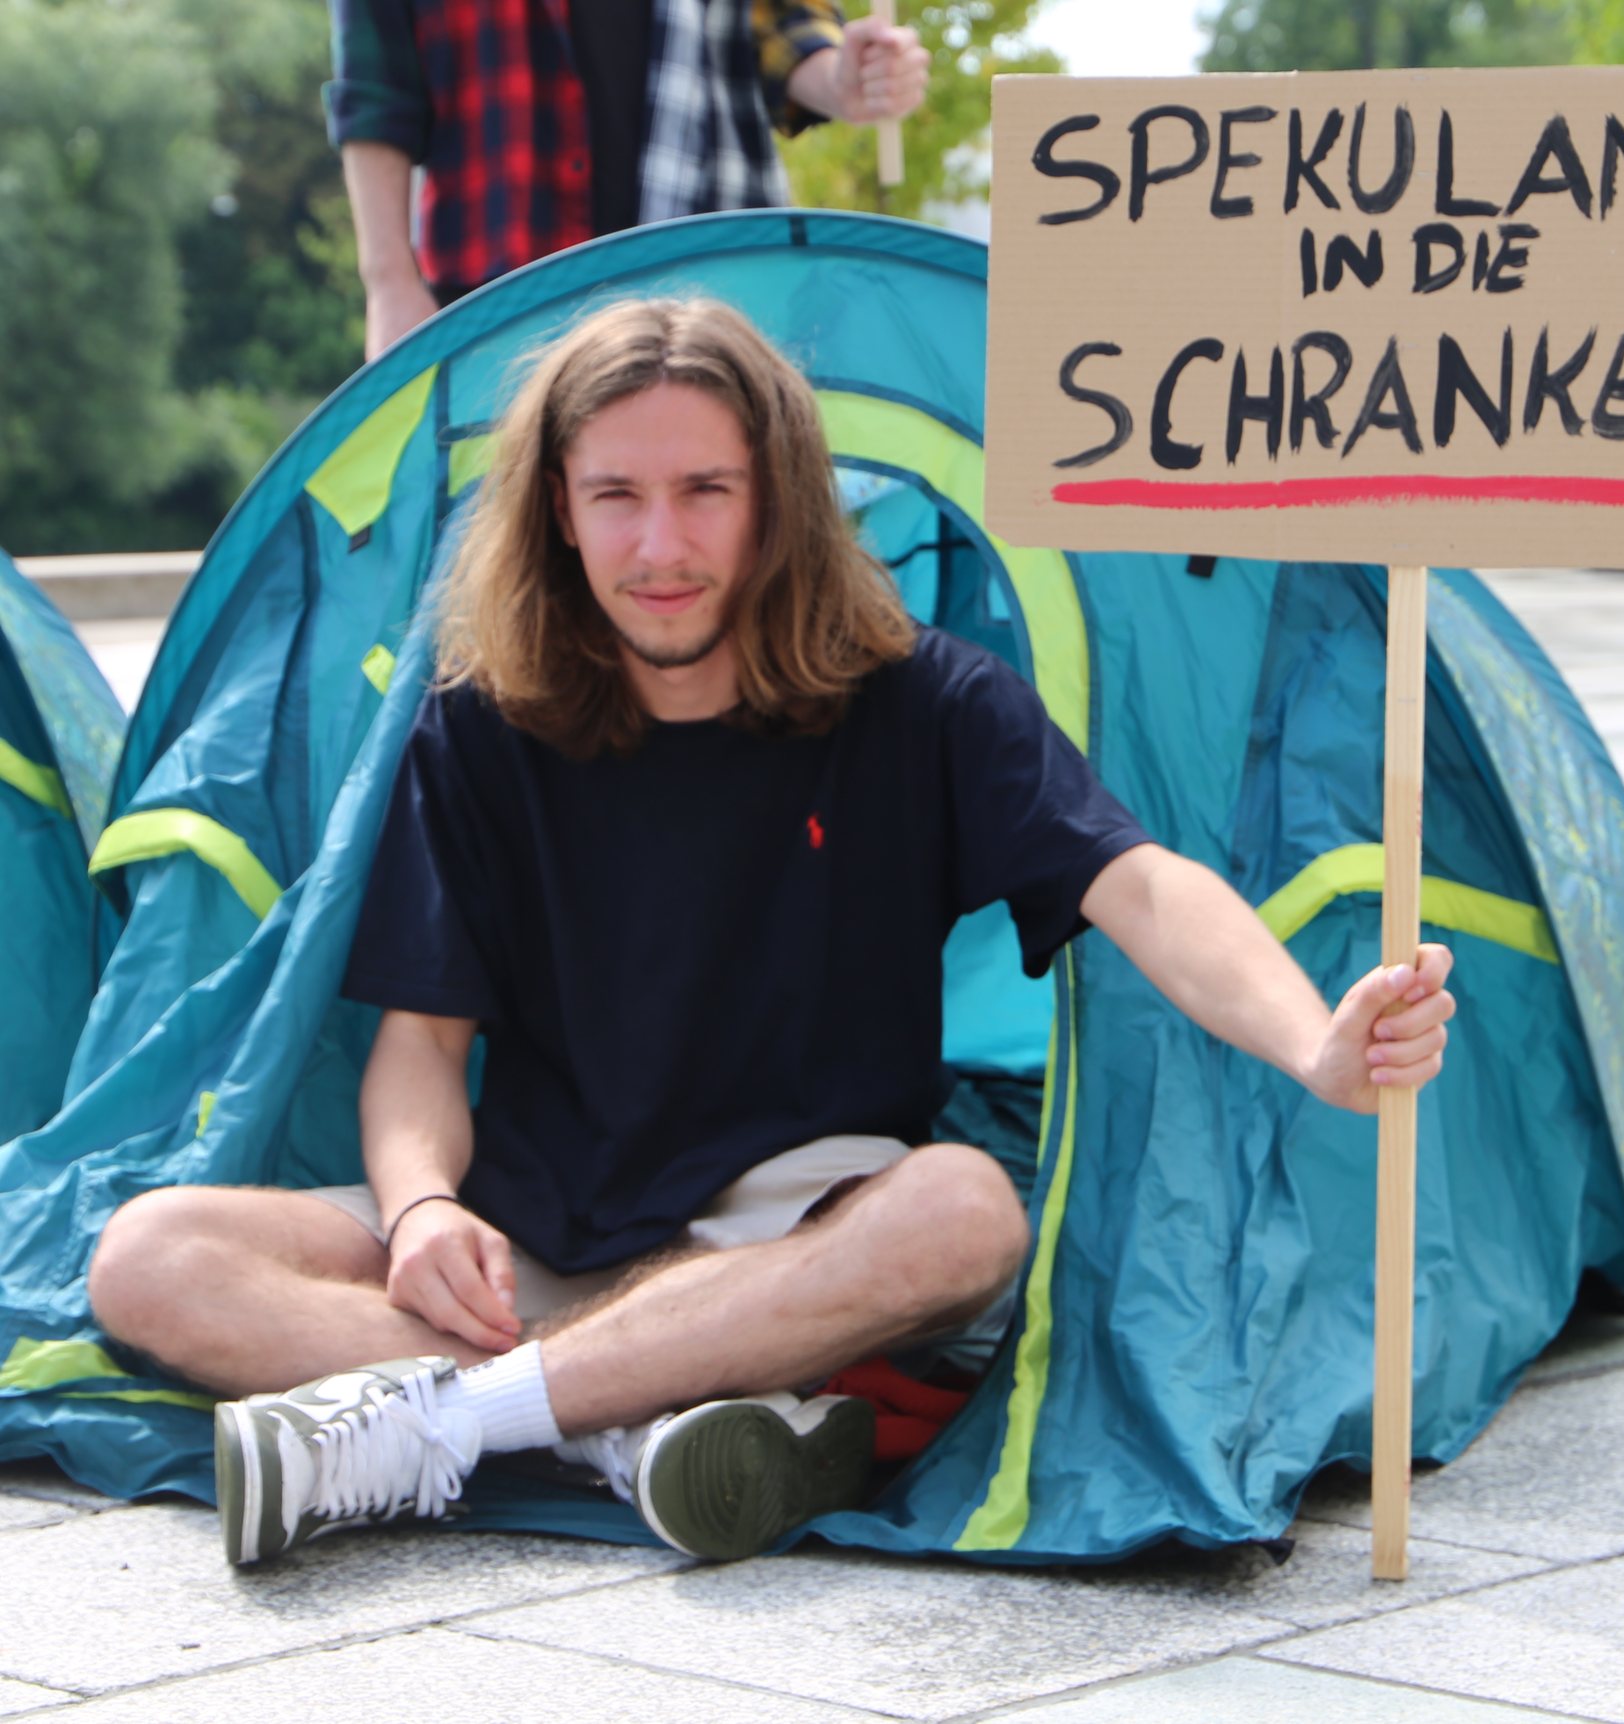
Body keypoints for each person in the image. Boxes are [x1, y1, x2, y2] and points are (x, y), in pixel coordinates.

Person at [86, 298, 1457, 1568]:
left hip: (793, 1227)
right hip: (540, 1234)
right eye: (614, 495)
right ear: (558, 511)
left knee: (964, 1211)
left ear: (777, 504)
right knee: (149, 1258)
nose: (660, 546)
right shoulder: (480, 724)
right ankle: (614, 1417)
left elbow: (1140, 885)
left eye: (705, 492)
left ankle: (453, 1426)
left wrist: (1312, 1046)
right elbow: (420, 1047)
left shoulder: (926, 701)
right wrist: (426, 1206)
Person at [326, 0, 931, 358]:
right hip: (496, 302)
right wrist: (387, 282)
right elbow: (377, 87)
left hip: (705, 294)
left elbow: (783, 27)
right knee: (498, 554)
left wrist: (850, 79)